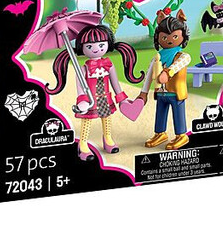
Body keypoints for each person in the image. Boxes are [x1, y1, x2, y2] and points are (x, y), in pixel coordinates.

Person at [46, 24, 144, 161]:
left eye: (101, 45)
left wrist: (121, 99)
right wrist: (82, 100)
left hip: (105, 98)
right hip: (90, 100)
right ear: (82, 48)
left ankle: (108, 139)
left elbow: (115, 84)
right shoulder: (83, 68)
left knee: (106, 118)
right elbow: (80, 86)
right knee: (87, 121)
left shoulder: (109, 65)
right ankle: (83, 144)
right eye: (89, 46)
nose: (96, 49)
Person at [138, 9, 191, 150]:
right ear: (158, 37)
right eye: (164, 37)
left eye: (174, 36)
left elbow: (180, 64)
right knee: (160, 113)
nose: (169, 40)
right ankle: (160, 133)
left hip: (176, 92)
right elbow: (149, 75)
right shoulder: (157, 57)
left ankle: (181, 135)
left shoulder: (182, 56)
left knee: (178, 114)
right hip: (161, 92)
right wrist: (143, 93)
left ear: (183, 36)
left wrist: (168, 72)